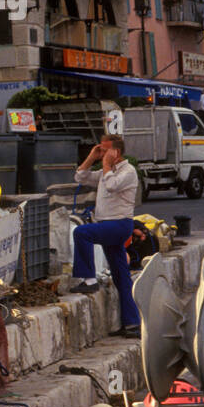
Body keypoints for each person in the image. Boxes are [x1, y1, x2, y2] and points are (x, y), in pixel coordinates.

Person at [72, 135, 142, 335]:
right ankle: (132, 323)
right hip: (109, 224)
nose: (102, 153)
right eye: (101, 150)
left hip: (119, 225)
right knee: (122, 276)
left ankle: (89, 280)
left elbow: (112, 185)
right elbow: (80, 177)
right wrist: (92, 158)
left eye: (105, 150)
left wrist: (105, 165)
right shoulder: (106, 171)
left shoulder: (128, 172)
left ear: (116, 153)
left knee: (81, 233)